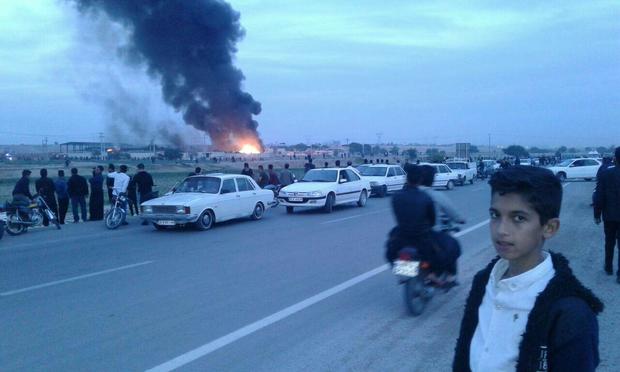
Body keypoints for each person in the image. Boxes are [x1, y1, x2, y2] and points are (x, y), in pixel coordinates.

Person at [453, 166, 603, 372]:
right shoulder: (484, 281)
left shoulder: (570, 314)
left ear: (549, 228)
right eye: (495, 215)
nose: (501, 230)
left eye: (519, 218)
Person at [418, 165, 464, 283]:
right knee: (453, 246)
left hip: (406, 234)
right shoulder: (436, 195)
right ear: (432, 179)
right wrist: (460, 219)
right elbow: (453, 213)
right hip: (430, 234)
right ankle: (450, 276)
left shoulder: (407, 194)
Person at [385, 165, 436, 267]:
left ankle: (405, 270)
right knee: (444, 248)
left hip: (402, 236)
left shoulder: (396, 196)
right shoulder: (425, 197)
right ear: (420, 179)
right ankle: (432, 275)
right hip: (421, 239)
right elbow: (432, 221)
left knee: (390, 249)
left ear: (406, 178)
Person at [594, 147, 620, 280]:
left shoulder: (605, 174)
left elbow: (599, 196)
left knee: (609, 242)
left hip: (610, 215)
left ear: (615, 158)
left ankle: (608, 267)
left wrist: (597, 214)